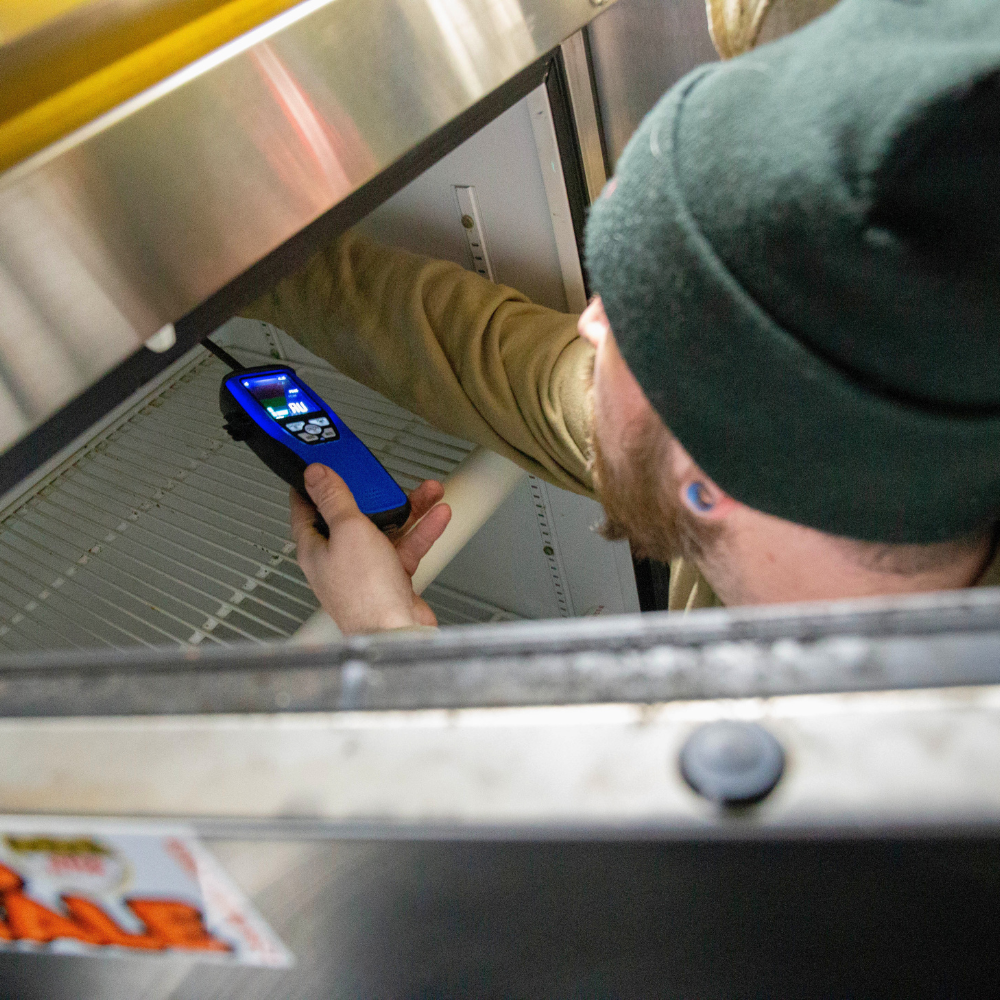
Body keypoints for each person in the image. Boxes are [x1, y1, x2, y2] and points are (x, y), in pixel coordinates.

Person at [246, 0, 1000, 635]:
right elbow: (482, 357)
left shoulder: (920, 749)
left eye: (633, 322)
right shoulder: (846, 441)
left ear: (705, 483)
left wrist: (389, 648)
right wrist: (249, 257)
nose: (590, 323)